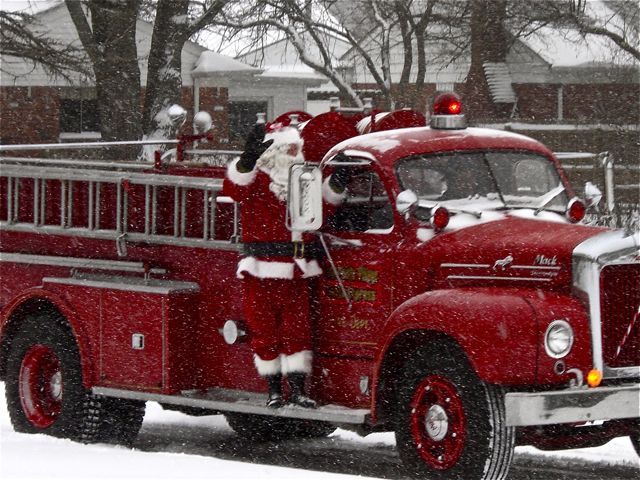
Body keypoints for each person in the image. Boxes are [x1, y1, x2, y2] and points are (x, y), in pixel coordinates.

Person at [224, 120, 347, 409]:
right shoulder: (257, 181)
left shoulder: (304, 179)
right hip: (261, 269)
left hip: (297, 268)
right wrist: (247, 160)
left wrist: (339, 180)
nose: (295, 153)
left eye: (297, 148)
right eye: (289, 148)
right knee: (264, 329)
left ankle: (297, 389)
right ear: (275, 151)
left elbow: (323, 207)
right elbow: (235, 188)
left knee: (297, 330)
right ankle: (273, 390)